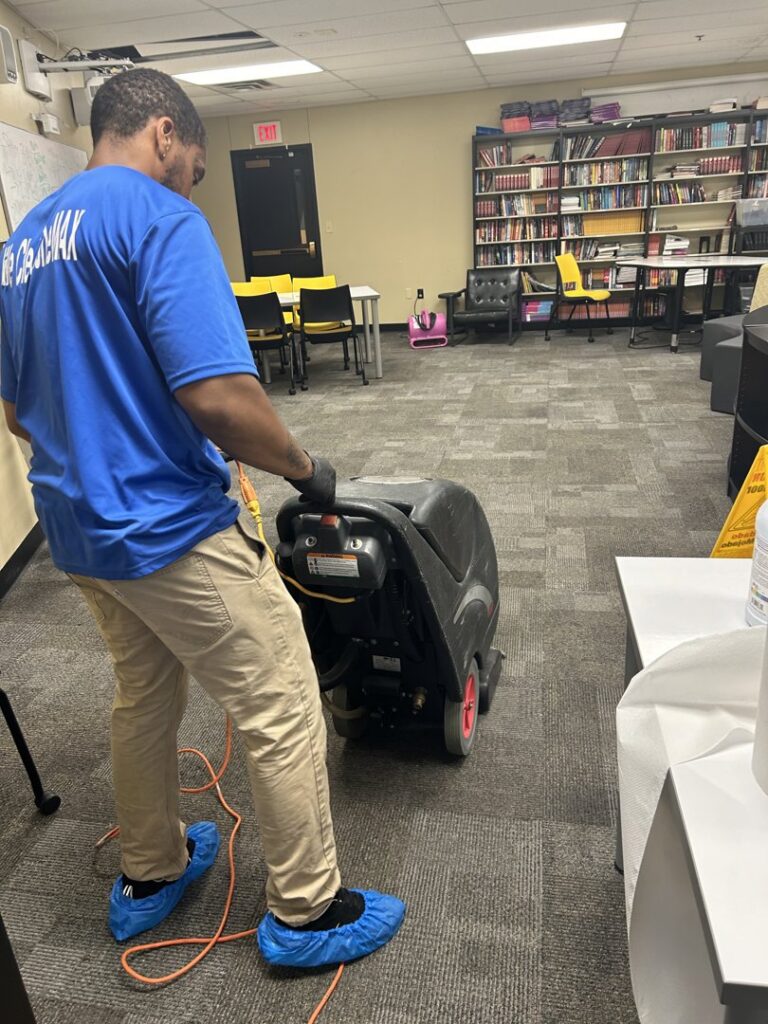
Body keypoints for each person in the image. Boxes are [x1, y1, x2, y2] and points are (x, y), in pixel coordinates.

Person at [0, 68, 404, 968]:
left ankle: (151, 872)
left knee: (144, 692)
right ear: (163, 133)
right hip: (167, 529)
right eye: (196, 164)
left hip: (76, 531)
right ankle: (307, 910)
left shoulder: (22, 245)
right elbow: (221, 399)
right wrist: (304, 467)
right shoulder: (159, 220)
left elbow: (21, 414)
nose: (192, 183)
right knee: (281, 695)